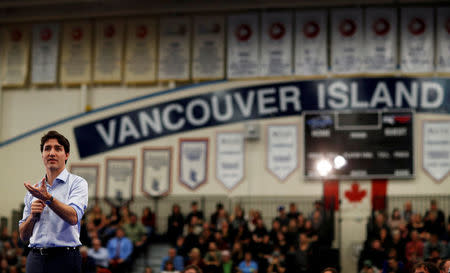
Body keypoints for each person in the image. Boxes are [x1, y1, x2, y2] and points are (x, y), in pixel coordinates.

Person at [19, 130, 89, 273]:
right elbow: (23, 236)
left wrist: (48, 199)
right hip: (35, 259)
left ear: (66, 155)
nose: (52, 153)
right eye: (47, 149)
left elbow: (73, 217)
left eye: (58, 148)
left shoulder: (77, 183)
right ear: (42, 155)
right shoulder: (34, 190)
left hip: (65, 258)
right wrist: (32, 217)